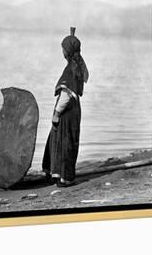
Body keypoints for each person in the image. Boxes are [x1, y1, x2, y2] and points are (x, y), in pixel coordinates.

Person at [42, 27, 89, 187]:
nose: (61, 51)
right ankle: (60, 175)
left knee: (63, 143)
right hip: (75, 112)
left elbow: (66, 95)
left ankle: (62, 179)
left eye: (63, 48)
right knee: (67, 143)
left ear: (66, 51)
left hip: (66, 112)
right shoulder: (78, 66)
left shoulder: (70, 70)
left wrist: (56, 113)